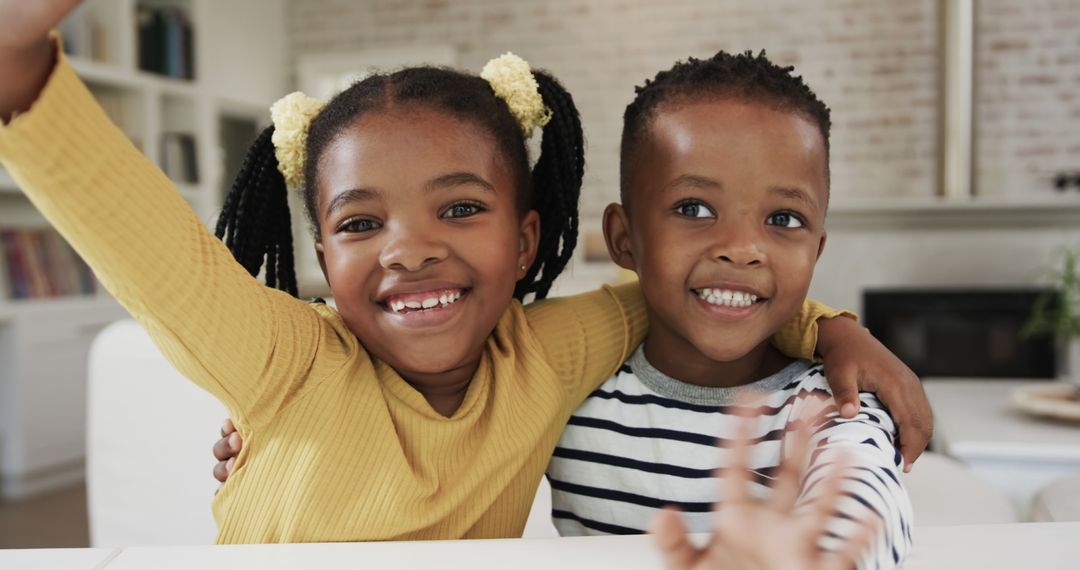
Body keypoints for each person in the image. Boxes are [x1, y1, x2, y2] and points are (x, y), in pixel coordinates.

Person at [0, 1, 927, 544]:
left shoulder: (549, 354)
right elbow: (152, 253)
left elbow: (686, 286)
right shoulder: (284, 361)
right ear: (324, 258)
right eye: (362, 223)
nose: (410, 249)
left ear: (525, 242)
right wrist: (18, 60)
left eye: (459, 208)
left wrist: (832, 327)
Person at [545, 51, 911, 569]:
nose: (742, 248)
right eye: (694, 209)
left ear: (816, 250)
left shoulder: (832, 406)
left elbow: (864, 501)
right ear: (625, 240)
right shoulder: (567, 399)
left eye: (783, 218)